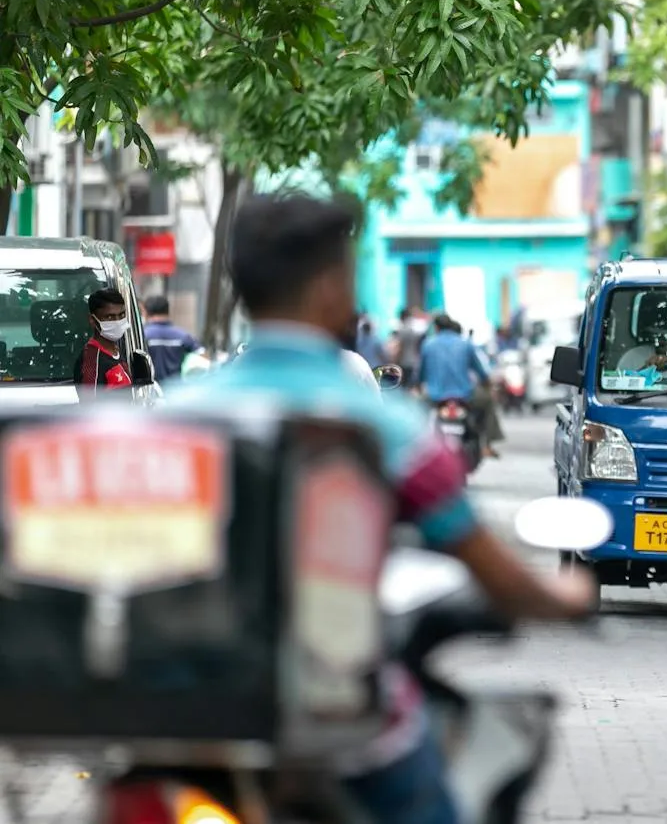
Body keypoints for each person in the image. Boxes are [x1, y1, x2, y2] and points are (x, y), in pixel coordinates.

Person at [164, 192, 595, 824]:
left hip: (182, 704)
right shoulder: (380, 426)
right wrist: (562, 598)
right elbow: (478, 556)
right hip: (335, 706)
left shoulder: (178, 416)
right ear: (330, 286)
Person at [419, 314, 501, 457]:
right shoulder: (466, 344)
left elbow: (420, 373)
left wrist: (416, 385)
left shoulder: (428, 345)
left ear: (436, 328)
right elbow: (480, 370)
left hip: (435, 396)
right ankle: (488, 444)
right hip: (464, 394)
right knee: (488, 401)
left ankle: (416, 448)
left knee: (415, 410)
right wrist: (487, 384)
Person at [79, 287, 135, 396]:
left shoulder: (117, 351)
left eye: (121, 315)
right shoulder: (91, 360)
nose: (117, 322)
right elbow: (89, 407)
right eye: (110, 317)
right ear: (92, 320)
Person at [143, 294, 203, 382]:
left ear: (146, 312)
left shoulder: (143, 335)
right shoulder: (183, 336)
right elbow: (202, 355)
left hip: (149, 391)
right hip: (175, 391)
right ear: (168, 311)